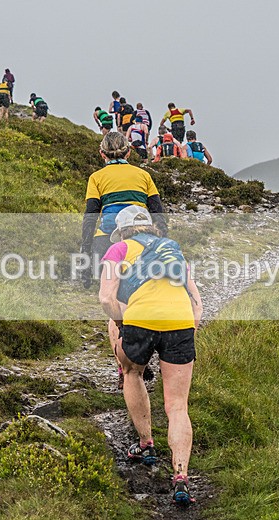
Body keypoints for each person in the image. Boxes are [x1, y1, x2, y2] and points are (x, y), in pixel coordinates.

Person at [98, 205, 203, 506]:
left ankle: (146, 445)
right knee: (178, 405)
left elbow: (106, 298)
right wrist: (186, 329)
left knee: (132, 372)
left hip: (140, 320)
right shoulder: (173, 250)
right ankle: (181, 476)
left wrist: (121, 323)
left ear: (121, 231)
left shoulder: (118, 249)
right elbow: (197, 304)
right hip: (180, 322)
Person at [81, 132, 168, 388]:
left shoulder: (96, 178)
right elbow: (158, 213)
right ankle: (144, 356)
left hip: (106, 240)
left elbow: (89, 217)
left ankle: (123, 368)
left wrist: (86, 250)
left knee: (116, 304)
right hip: (143, 240)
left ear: (102, 154)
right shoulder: (143, 176)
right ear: (129, 153)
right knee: (144, 298)